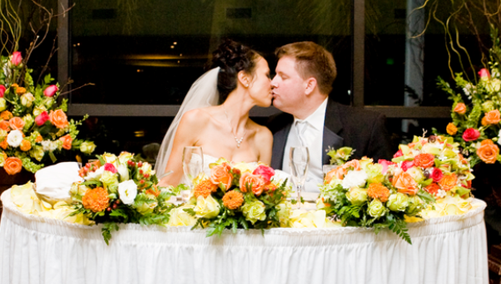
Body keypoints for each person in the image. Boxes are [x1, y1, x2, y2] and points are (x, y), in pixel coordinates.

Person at [268, 41, 393, 193]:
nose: (273, 83)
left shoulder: (364, 127)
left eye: (283, 77)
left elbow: (384, 191)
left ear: (309, 85)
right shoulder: (273, 126)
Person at [156, 39, 274, 186]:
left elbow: (263, 196)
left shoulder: (263, 137)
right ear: (244, 79)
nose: (273, 83)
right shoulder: (196, 120)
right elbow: (168, 184)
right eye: (267, 75)